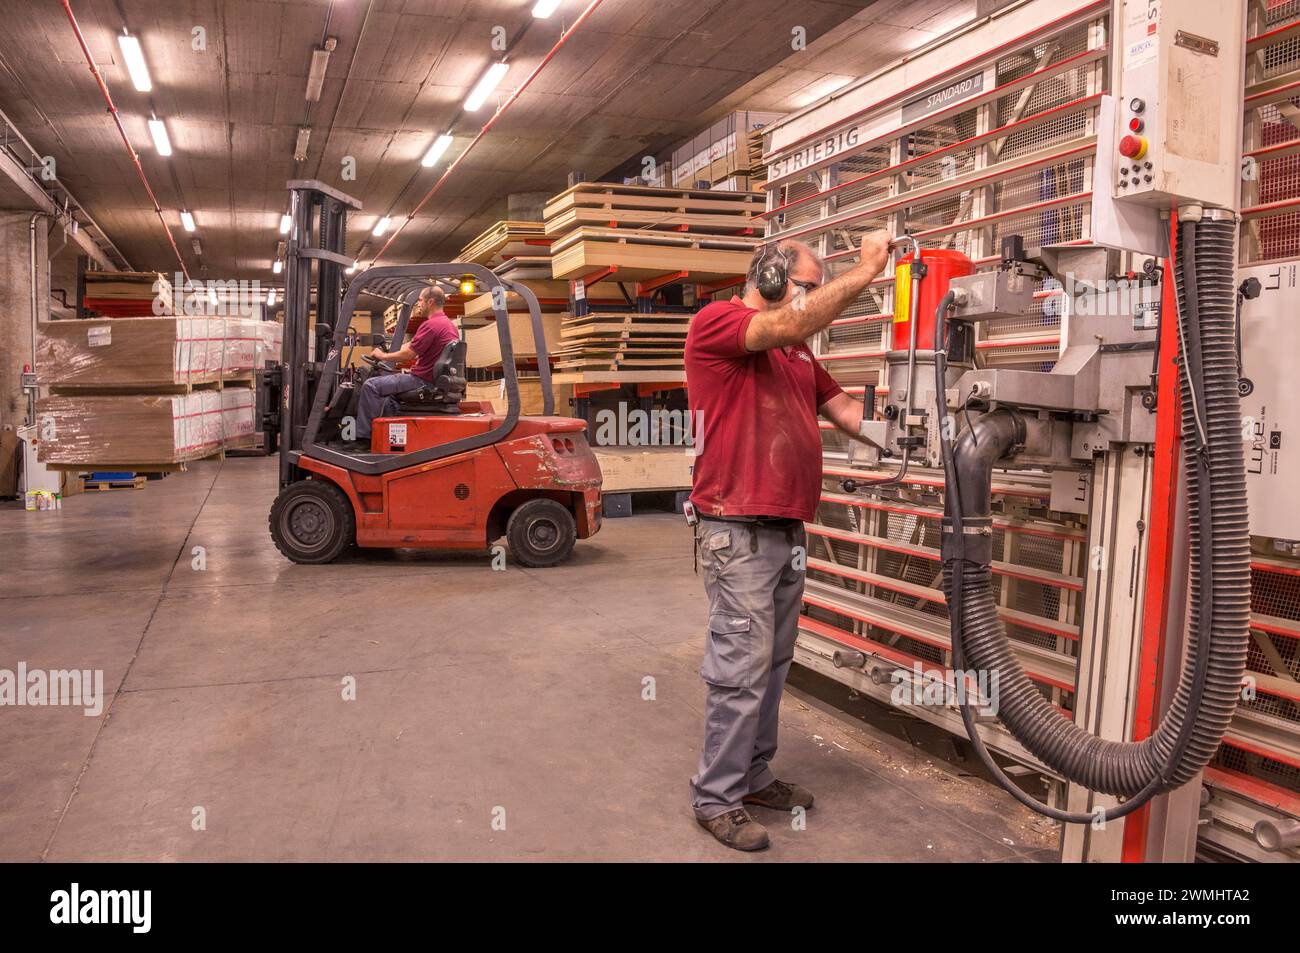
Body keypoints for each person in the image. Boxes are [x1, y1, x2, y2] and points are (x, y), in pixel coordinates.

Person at [684, 230, 892, 851]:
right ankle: (715, 797)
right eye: (805, 285)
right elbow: (792, 320)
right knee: (739, 670)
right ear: (771, 279)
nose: (811, 300)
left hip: (785, 528)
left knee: (772, 666)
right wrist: (866, 272)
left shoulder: (798, 354)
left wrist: (915, 433)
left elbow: (846, 412)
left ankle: (752, 775)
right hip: (737, 528)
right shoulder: (720, 323)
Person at [341, 285, 459, 451]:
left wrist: (382, 356)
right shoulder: (449, 325)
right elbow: (412, 346)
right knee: (388, 395)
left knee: (371, 385)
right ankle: (387, 434)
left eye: (420, 301)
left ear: (430, 302)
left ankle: (364, 439)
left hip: (421, 381)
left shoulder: (431, 325)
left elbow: (409, 355)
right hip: (432, 380)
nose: (419, 305)